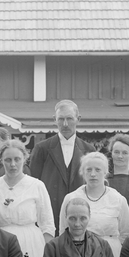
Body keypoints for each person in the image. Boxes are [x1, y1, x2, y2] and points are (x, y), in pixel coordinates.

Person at [59, 151, 129, 257]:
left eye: (97, 170)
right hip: (78, 256)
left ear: (105, 172)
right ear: (82, 172)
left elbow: (125, 234)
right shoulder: (71, 198)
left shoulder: (118, 199)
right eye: (89, 170)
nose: (93, 174)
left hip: (110, 256)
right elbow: (63, 232)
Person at [28, 99, 87, 232]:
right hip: (50, 215)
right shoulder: (42, 149)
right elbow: (34, 185)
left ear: (79, 119)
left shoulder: (88, 150)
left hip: (79, 218)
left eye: (69, 119)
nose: (65, 124)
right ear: (54, 119)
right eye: (60, 119)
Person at [105, 133, 129, 209]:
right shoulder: (103, 181)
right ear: (111, 154)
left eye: (124, 153)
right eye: (116, 152)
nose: (120, 156)